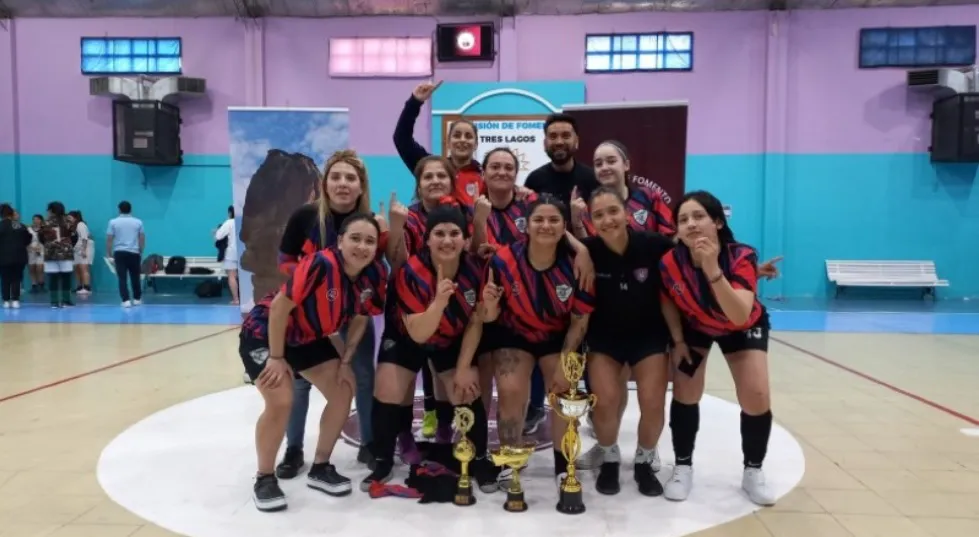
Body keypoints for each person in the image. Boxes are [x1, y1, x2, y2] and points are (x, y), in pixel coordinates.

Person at [241, 213, 388, 512]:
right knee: (281, 401)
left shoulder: (374, 274)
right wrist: (277, 357)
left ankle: (320, 467)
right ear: (340, 241)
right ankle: (264, 477)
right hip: (267, 332)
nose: (362, 246)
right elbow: (281, 307)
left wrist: (346, 359)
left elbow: (361, 317)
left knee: (343, 389)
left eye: (369, 241)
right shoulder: (320, 263)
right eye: (355, 238)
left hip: (309, 336)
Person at [363, 201, 497, 492]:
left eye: (454, 233)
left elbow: (476, 323)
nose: (447, 240)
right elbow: (419, 333)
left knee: (467, 389)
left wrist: (462, 368)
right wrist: (439, 302)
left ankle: (480, 459)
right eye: (439, 233)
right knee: (387, 390)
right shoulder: (411, 272)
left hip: (450, 339)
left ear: (465, 240)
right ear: (426, 238)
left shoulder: (476, 270)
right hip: (407, 337)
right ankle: (383, 460)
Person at [274, 150, 387, 478]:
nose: (342, 183)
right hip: (308, 318)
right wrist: (319, 288)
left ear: (361, 185)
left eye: (350, 178)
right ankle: (293, 448)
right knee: (299, 383)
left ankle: (368, 442)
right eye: (336, 177)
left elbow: (374, 267)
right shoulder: (304, 218)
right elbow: (284, 261)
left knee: (363, 376)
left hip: (354, 316)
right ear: (324, 183)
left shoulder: (371, 225)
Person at [659, 190, 775, 506]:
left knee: (756, 395)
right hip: (695, 325)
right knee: (685, 391)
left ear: (718, 223)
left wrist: (712, 268)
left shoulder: (741, 256)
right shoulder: (669, 262)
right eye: (683, 220)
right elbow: (667, 299)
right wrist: (678, 341)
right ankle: (682, 466)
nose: (691, 224)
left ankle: (753, 470)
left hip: (742, 325)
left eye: (699, 217)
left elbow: (738, 313)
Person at [477, 195, 594, 490]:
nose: (546, 225)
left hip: (559, 337)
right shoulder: (503, 260)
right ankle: (510, 459)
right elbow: (489, 316)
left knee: (564, 390)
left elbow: (580, 320)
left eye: (554, 220)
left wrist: (565, 361)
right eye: (538, 220)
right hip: (514, 334)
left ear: (564, 226)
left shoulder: (577, 265)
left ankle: (561, 464)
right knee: (510, 389)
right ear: (526, 226)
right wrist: (488, 307)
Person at [578, 187, 676, 496]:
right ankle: (609, 459)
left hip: (648, 335)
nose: (607, 220)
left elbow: (692, 259)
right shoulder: (588, 249)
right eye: (598, 215)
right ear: (590, 221)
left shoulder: (654, 245)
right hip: (604, 337)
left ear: (626, 212)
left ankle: (644, 462)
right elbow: (546, 244)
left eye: (613, 211)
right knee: (605, 401)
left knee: (652, 401)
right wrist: (580, 249)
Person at [386, 155, 473, 446]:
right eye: (428, 176)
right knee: (409, 373)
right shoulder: (405, 215)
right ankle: (403, 435)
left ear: (452, 181)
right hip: (410, 303)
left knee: (442, 368)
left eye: (441, 176)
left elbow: (473, 255)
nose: (435, 181)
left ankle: (443, 423)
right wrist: (394, 228)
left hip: (451, 304)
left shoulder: (466, 214)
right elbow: (395, 264)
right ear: (418, 184)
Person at [393, 81, 483, 204]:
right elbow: (401, 138)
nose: (462, 139)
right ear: (448, 142)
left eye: (468, 136)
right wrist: (414, 103)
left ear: (476, 144)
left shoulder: (484, 175)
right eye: (457, 135)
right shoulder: (431, 167)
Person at [524, 113, 601, 208]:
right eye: (553, 136)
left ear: (576, 141)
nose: (559, 142)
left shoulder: (592, 180)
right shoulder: (534, 180)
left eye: (566, 136)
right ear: (545, 143)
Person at [106, 201, 145, 308]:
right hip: (134, 252)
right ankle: (137, 299)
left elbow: (109, 239)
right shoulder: (138, 222)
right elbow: (141, 238)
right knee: (135, 277)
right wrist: (140, 250)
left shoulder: (113, 222)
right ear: (131, 210)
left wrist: (109, 254)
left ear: (119, 210)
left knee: (122, 277)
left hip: (119, 252)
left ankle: (126, 300)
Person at [40, 201, 75, 308]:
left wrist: (49, 244)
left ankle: (54, 302)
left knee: (53, 277)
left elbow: (41, 237)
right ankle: (66, 300)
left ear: (51, 210)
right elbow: (74, 235)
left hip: (51, 251)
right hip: (66, 251)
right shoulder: (69, 220)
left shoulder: (45, 222)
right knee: (66, 277)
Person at [0, 203, 31, 308]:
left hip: (3, 258)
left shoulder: (1, 225)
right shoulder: (18, 225)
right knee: (16, 278)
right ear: (11, 213)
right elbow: (27, 238)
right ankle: (15, 300)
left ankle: (5, 300)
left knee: (5, 278)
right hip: (19, 257)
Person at [215, 205, 239, 305]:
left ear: (230, 213)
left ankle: (236, 300)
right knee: (244, 277)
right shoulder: (246, 221)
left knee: (232, 276)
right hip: (246, 253)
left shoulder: (229, 222)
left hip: (232, 253)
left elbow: (218, 236)